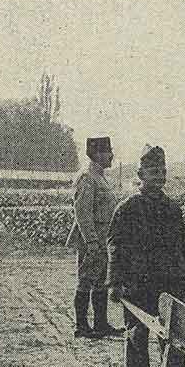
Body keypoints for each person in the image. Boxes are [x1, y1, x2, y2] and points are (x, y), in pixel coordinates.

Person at [108, 146, 185, 367]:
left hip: (170, 280)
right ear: (140, 174)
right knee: (136, 329)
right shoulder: (127, 208)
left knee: (175, 331)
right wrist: (115, 282)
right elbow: (115, 246)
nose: (159, 176)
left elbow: (184, 246)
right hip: (138, 281)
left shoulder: (172, 209)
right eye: (153, 171)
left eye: (163, 172)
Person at [65, 136, 122, 338]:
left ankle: (101, 324)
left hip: (102, 238)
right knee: (85, 280)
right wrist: (91, 241)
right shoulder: (87, 177)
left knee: (100, 280)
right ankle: (81, 326)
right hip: (92, 239)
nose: (112, 156)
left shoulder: (100, 176)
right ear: (97, 154)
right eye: (108, 152)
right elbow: (83, 213)